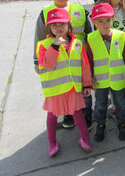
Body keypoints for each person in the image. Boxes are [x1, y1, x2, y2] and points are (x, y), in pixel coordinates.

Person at [33, 0, 93, 130]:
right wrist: (36, 61)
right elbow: (38, 38)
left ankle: (86, 116)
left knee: (81, 88)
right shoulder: (44, 14)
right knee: (64, 89)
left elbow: (90, 33)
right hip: (57, 63)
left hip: (78, 59)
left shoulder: (80, 11)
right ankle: (68, 114)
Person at [37, 8, 92, 157]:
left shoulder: (77, 43)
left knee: (78, 114)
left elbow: (84, 65)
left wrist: (86, 84)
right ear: (49, 28)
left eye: (62, 24)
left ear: (68, 24)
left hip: (73, 88)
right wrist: (55, 46)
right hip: (55, 90)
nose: (59, 28)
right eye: (54, 25)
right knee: (52, 117)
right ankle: (52, 142)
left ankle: (85, 139)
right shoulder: (44, 44)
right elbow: (47, 64)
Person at [87, 3, 125, 142]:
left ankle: (122, 123)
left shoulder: (120, 35)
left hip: (118, 77)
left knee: (120, 102)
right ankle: (100, 124)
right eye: (100, 21)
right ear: (94, 22)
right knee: (100, 104)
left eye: (108, 20)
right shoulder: (91, 38)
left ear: (113, 19)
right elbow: (89, 60)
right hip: (100, 79)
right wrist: (90, 77)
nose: (105, 24)